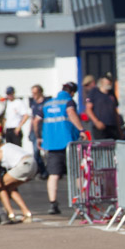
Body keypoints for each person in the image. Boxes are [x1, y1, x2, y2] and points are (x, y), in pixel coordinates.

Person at [38, 82, 86, 215]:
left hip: (51, 145)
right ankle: (81, 203)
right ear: (72, 92)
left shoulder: (47, 104)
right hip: (68, 143)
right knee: (77, 173)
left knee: (53, 175)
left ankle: (53, 204)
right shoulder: (68, 102)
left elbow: (36, 120)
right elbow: (71, 113)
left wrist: (38, 137)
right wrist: (81, 129)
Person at [0, 137, 35, 222]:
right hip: (33, 164)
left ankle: (10, 214)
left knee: (1, 186)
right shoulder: (5, 146)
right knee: (10, 188)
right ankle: (27, 213)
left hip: (23, 165)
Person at [85, 75, 122, 140]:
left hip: (112, 127)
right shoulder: (94, 92)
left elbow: (115, 111)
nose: (109, 82)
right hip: (100, 127)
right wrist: (96, 122)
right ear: (102, 81)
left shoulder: (111, 93)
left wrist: (119, 129)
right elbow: (88, 109)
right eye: (107, 80)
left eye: (110, 80)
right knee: (102, 147)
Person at [29, 84, 48, 179]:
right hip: (35, 131)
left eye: (35, 93)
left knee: (47, 152)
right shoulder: (33, 104)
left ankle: (48, 170)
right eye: (32, 93)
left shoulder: (46, 103)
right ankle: (42, 171)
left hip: (44, 130)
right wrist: (30, 130)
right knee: (36, 153)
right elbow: (32, 118)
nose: (34, 95)